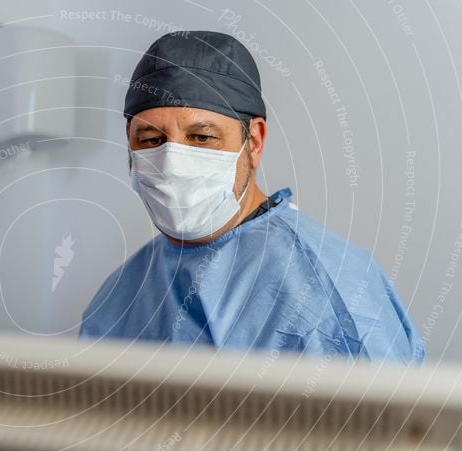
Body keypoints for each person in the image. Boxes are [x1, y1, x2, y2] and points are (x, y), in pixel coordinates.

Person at [80, 31, 424, 363]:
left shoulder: (324, 289)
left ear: (254, 142)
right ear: (129, 143)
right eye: (152, 139)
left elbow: (385, 418)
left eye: (201, 137)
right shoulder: (120, 294)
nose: (172, 162)